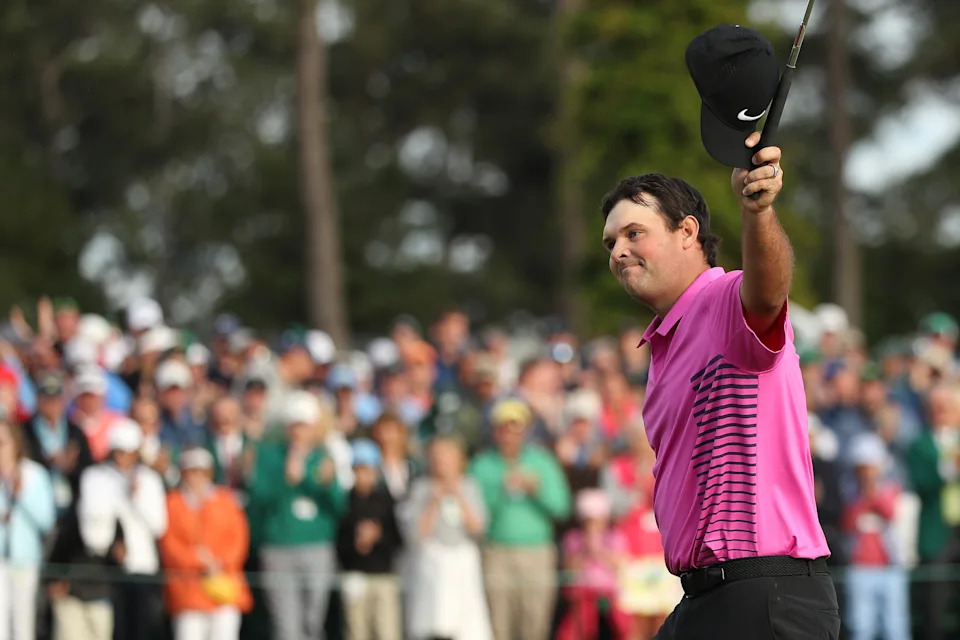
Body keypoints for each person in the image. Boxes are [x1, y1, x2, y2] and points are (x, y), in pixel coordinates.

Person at [599, 25, 838, 639]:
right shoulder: (661, 349)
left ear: (687, 232)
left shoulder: (723, 299)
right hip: (705, 600)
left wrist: (758, 212)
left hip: (766, 593)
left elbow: (769, 292)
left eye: (634, 233)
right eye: (611, 243)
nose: (619, 252)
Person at [160, 448, 253, 640]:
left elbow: (238, 539)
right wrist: (197, 561)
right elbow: (169, 545)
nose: (196, 478)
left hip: (224, 587)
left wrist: (220, 562)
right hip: (187, 592)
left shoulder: (225, 500)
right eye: (191, 472)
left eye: (201, 472)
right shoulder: (173, 503)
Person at [335, 439, 403, 640]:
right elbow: (338, 543)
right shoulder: (345, 501)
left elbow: (398, 540)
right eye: (360, 469)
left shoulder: (387, 500)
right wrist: (357, 542)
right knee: (356, 632)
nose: (364, 475)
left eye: (369, 469)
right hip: (354, 576)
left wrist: (378, 536)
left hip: (383, 576)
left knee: (387, 632)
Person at [0, 420, 56, 640]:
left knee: (22, 625)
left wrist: (21, 494)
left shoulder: (33, 474)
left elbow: (46, 521)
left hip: (24, 560)